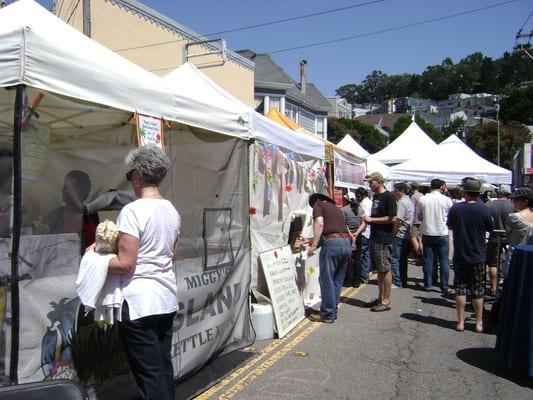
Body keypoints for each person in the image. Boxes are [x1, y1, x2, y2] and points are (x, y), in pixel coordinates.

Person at [106, 146, 181, 400]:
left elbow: (126, 263)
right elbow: (172, 253)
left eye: (130, 176)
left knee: (149, 377)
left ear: (138, 175)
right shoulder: (172, 210)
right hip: (166, 298)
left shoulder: (132, 211)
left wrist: (98, 259)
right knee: (162, 368)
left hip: (139, 302)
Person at [447, 177, 493, 333]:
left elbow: (451, 226)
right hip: (478, 254)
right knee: (478, 289)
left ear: (465, 191)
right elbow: (490, 227)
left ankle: (460, 322)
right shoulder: (484, 208)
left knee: (460, 288)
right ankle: (478, 322)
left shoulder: (456, 208)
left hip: (460, 253)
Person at [307, 192, 351, 323]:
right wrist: (311, 239)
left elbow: (319, 223)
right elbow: (337, 229)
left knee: (326, 279)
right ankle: (332, 310)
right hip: (345, 242)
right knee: (337, 280)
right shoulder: (337, 209)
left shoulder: (318, 204)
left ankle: (327, 313)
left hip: (332, 244)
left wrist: (314, 244)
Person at [362, 172, 396, 312]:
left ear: (378, 181)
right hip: (375, 236)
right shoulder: (376, 196)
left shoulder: (389, 196)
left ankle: (386, 300)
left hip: (384, 238)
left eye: (371, 182)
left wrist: (371, 220)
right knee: (379, 271)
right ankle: (380, 297)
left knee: (385, 268)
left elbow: (392, 218)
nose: (369, 185)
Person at [44, 170, 99, 250]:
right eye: (65, 187)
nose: (66, 191)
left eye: (72, 188)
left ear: (84, 192)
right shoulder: (55, 214)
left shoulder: (91, 215)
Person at [418, 178, 453, 294]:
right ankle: (444, 286)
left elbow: (419, 217)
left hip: (428, 232)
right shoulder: (447, 200)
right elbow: (451, 217)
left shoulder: (422, 199)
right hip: (442, 232)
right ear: (442, 186)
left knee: (428, 259)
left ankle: (427, 284)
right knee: (444, 261)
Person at [485, 184, 515, 295]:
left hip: (494, 236)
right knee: (509, 262)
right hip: (509, 237)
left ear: (499, 193)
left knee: (493, 263)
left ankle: (493, 288)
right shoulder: (513, 206)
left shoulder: (489, 205)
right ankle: (507, 288)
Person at [391, 183, 414, 288]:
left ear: (400, 191)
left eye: (395, 190)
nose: (394, 193)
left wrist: (393, 233)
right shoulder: (409, 201)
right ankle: (403, 280)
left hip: (400, 233)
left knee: (395, 258)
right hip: (406, 233)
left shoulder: (402, 202)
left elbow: (398, 220)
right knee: (403, 259)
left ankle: (397, 281)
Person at [506, 187, 533, 266]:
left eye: (516, 200)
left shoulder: (514, 217)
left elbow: (507, 235)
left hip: (516, 253)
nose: (514, 203)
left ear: (526, 201)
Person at [341, 191, 361, 287]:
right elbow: (363, 222)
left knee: (348, 259)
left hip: (348, 237)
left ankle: (348, 281)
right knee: (357, 258)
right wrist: (357, 233)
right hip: (358, 236)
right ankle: (357, 281)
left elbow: (344, 224)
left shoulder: (343, 210)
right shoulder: (360, 208)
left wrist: (351, 235)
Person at [354, 187, 371, 284]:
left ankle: (362, 276)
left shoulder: (364, 204)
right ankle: (365, 276)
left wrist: (359, 231)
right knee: (366, 255)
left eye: (358, 196)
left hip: (364, 232)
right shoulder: (369, 202)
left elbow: (365, 219)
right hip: (368, 232)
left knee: (360, 255)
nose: (357, 198)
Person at [409, 182, 423, 261]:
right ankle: (422, 252)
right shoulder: (422, 195)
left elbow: (412, 209)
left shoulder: (413, 197)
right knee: (420, 238)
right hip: (422, 219)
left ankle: (419, 254)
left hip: (415, 220)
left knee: (413, 237)